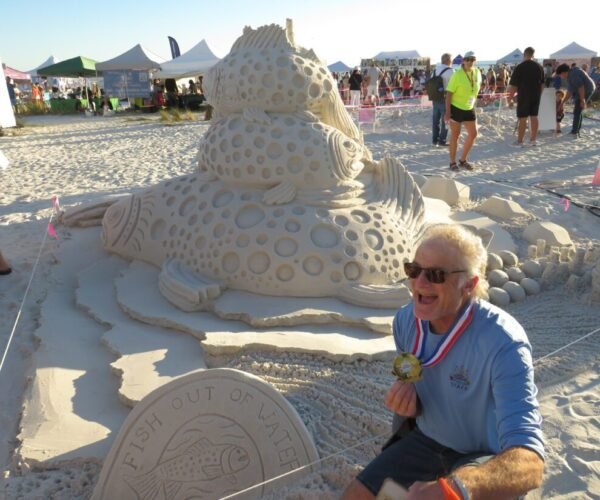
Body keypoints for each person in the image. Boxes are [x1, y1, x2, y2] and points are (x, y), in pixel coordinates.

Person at [341, 223, 545, 500]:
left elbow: (531, 465)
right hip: (427, 442)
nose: (420, 283)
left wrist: (452, 489)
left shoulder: (503, 342)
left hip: (483, 457)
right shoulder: (405, 321)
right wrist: (410, 397)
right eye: (414, 270)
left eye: (436, 275)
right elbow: (414, 373)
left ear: (469, 285)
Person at [445, 51, 481, 171]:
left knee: (473, 134)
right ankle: (452, 162)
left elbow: (475, 89)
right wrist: (447, 112)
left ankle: (463, 160)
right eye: (468, 59)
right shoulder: (457, 75)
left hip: (469, 108)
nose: (470, 62)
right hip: (456, 108)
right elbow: (449, 94)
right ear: (463, 61)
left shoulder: (477, 72)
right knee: (455, 135)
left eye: (473, 59)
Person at [507, 47, 545, 147]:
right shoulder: (539, 67)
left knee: (523, 118)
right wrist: (539, 94)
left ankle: (520, 141)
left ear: (524, 54)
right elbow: (542, 85)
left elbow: (513, 86)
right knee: (534, 117)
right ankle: (533, 140)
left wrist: (510, 99)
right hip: (536, 95)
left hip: (524, 95)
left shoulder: (520, 67)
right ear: (533, 55)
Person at [555, 63, 597, 137]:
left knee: (577, 110)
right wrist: (562, 103)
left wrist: (582, 100)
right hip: (582, 89)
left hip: (587, 89)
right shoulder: (569, 76)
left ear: (564, 72)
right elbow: (569, 92)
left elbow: (581, 87)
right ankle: (576, 130)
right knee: (578, 110)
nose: (561, 77)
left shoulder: (574, 75)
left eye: (560, 75)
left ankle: (575, 132)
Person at [431, 53, 454, 147]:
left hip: (435, 97)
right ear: (448, 60)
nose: (452, 61)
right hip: (446, 98)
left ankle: (434, 140)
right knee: (446, 120)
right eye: (451, 60)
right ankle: (442, 140)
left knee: (435, 120)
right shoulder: (451, 71)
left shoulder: (435, 70)